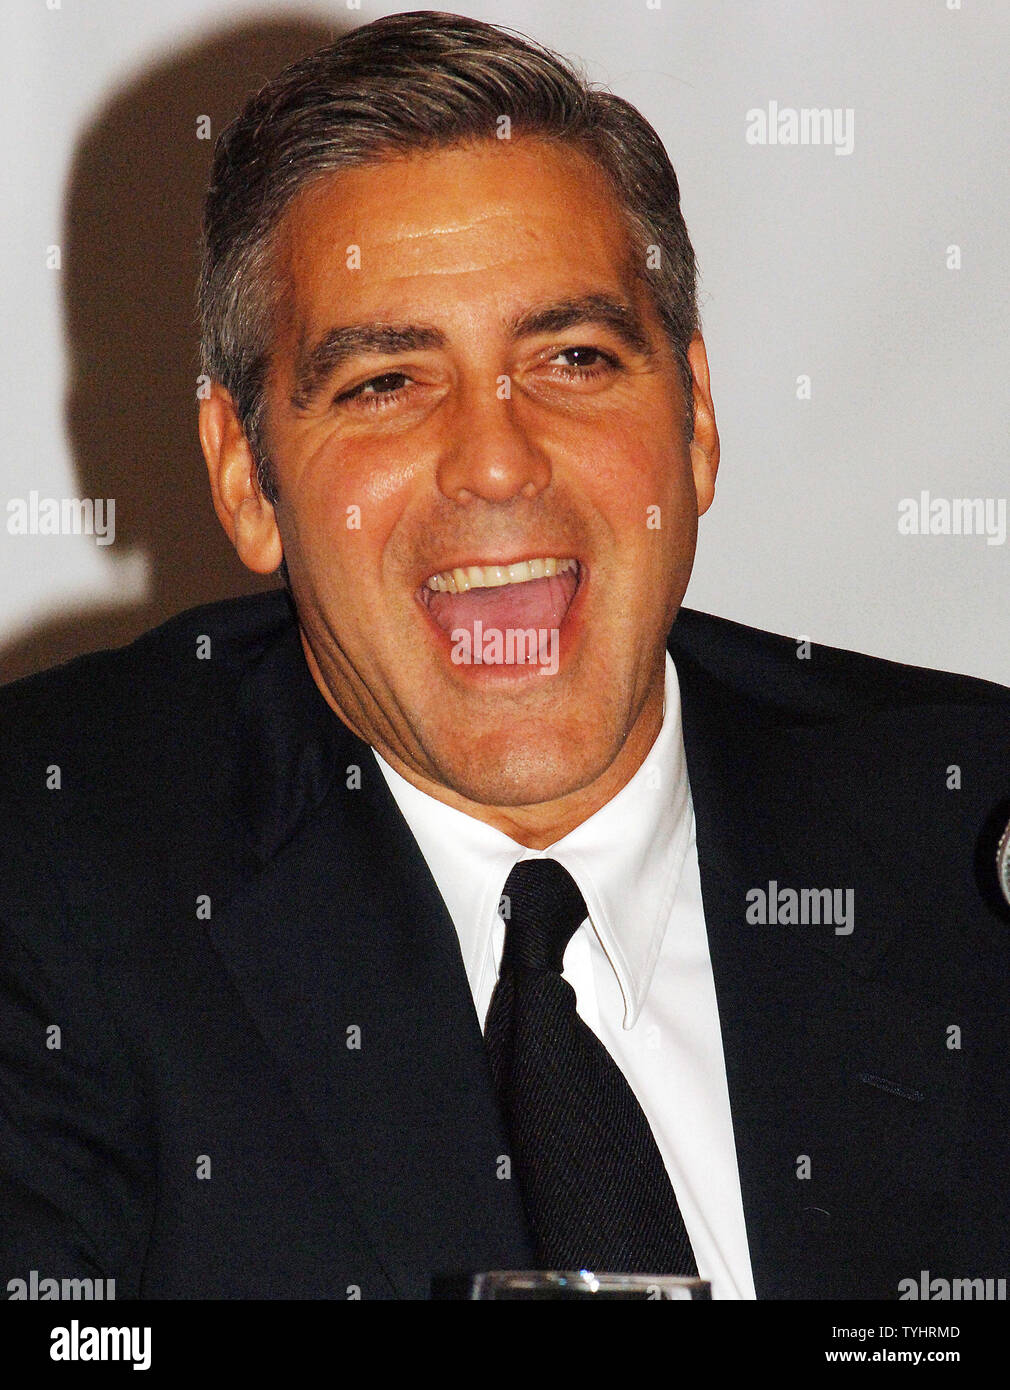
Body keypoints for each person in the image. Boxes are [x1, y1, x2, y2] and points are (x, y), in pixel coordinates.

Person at [2, 10, 1008, 1302]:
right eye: (384, 382)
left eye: (572, 358)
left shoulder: (965, 832)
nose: (495, 460)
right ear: (245, 479)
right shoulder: (48, 879)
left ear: (695, 420)